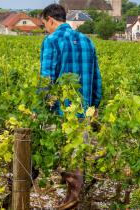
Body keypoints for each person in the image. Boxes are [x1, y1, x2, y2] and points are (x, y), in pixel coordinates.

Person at [39, 4, 102, 209]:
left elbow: (46, 78)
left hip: (59, 112)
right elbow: (96, 79)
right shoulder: (87, 41)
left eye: (44, 25)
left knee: (55, 153)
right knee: (76, 156)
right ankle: (71, 200)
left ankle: (70, 200)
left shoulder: (51, 41)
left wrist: (41, 108)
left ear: (50, 19)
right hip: (83, 111)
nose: (45, 29)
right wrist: (94, 105)